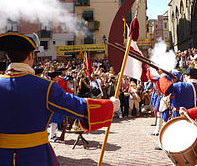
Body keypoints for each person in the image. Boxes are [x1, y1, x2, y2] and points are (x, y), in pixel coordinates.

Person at [0, 32, 120, 166]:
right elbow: (77, 107)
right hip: (36, 156)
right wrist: (109, 105)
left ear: (7, 56)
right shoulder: (45, 87)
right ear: (30, 55)